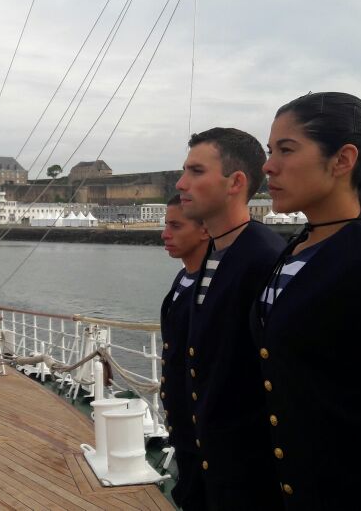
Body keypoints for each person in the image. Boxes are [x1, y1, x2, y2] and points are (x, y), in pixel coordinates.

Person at [250, 92, 361, 507]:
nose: (268, 165)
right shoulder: (297, 248)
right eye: (270, 151)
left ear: (342, 160)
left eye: (286, 149)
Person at [173, 127, 286, 508]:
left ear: (236, 182)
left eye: (196, 171)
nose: (181, 182)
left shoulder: (264, 257)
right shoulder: (217, 252)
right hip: (210, 470)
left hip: (250, 480)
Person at [158, 194, 209, 511]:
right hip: (182, 429)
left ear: (205, 230)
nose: (165, 233)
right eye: (165, 224)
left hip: (202, 430)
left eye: (176, 225)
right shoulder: (183, 278)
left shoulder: (211, 285)